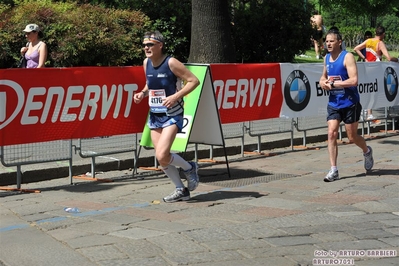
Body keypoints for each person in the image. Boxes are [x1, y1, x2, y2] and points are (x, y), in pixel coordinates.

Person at [133, 30, 200, 202]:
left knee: (162, 155)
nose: (146, 48)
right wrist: (142, 93)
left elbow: (194, 81)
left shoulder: (171, 62)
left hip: (172, 114)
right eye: (144, 45)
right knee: (162, 158)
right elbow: (150, 83)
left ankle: (189, 167)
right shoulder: (146, 62)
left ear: (160, 45)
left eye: (150, 44)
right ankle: (181, 190)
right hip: (155, 114)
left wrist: (176, 96)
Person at [319, 29, 374, 182]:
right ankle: (333, 170)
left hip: (350, 102)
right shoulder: (327, 58)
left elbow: (354, 80)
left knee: (352, 137)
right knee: (331, 133)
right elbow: (323, 76)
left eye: (331, 41)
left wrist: (335, 84)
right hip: (334, 103)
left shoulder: (347, 57)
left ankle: (366, 150)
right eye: (327, 41)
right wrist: (323, 82)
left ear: (339, 42)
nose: (328, 44)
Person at [353, 26, 398, 122]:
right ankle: (369, 113)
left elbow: (356, 48)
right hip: (375, 69)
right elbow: (389, 58)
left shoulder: (369, 41)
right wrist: (397, 60)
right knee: (374, 92)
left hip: (367, 67)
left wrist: (364, 58)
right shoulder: (380, 43)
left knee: (368, 90)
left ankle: (365, 111)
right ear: (383, 34)